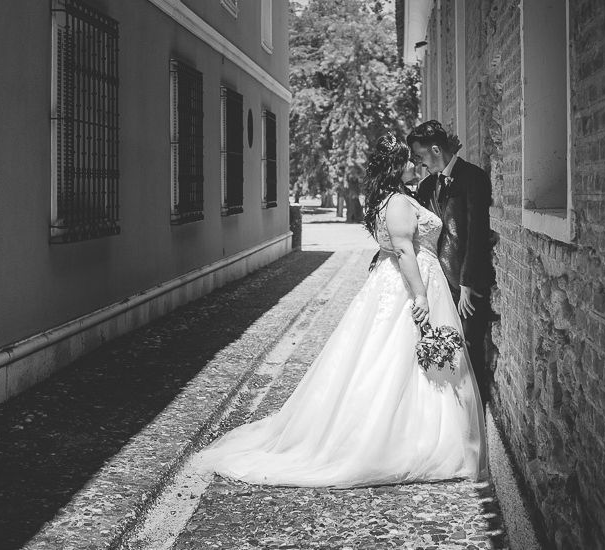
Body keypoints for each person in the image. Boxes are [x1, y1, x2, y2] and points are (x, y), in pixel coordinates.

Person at [195, 133, 488, 488]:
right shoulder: (397, 202)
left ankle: (424, 432)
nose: (417, 163)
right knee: (397, 360)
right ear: (398, 167)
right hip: (414, 285)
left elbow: (393, 247)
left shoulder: (399, 197)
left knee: (404, 361)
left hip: (412, 281)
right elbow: (406, 252)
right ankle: (406, 439)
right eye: (410, 160)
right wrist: (421, 298)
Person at [407, 121, 494, 408]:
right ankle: (445, 412)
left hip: (464, 284)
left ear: (435, 150)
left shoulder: (473, 178)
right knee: (439, 347)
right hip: (436, 282)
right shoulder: (427, 186)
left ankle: (473, 412)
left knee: (469, 348)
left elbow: (477, 233)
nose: (419, 164)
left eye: (420, 157)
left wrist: (468, 283)